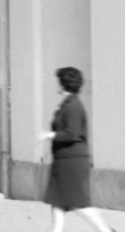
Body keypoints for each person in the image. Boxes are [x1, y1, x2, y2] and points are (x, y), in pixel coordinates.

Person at [43, 67, 116, 232]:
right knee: (58, 200)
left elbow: (72, 133)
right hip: (64, 161)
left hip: (72, 162)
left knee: (75, 202)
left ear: (63, 84)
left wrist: (50, 135)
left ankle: (105, 230)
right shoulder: (68, 104)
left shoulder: (73, 106)